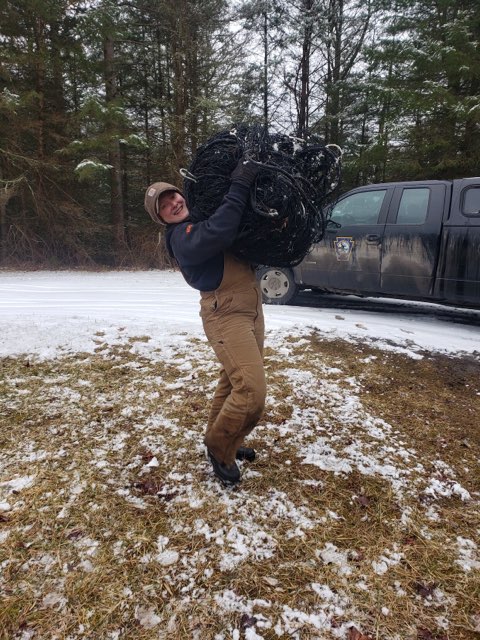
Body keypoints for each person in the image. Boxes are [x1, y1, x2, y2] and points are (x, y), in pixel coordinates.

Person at [144, 159, 265, 485]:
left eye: (173, 196)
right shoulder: (181, 238)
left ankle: (228, 438)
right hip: (224, 314)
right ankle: (218, 446)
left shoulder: (199, 217)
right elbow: (220, 230)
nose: (173, 203)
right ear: (160, 218)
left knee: (232, 379)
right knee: (252, 391)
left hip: (250, 305)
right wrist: (239, 185)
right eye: (164, 205)